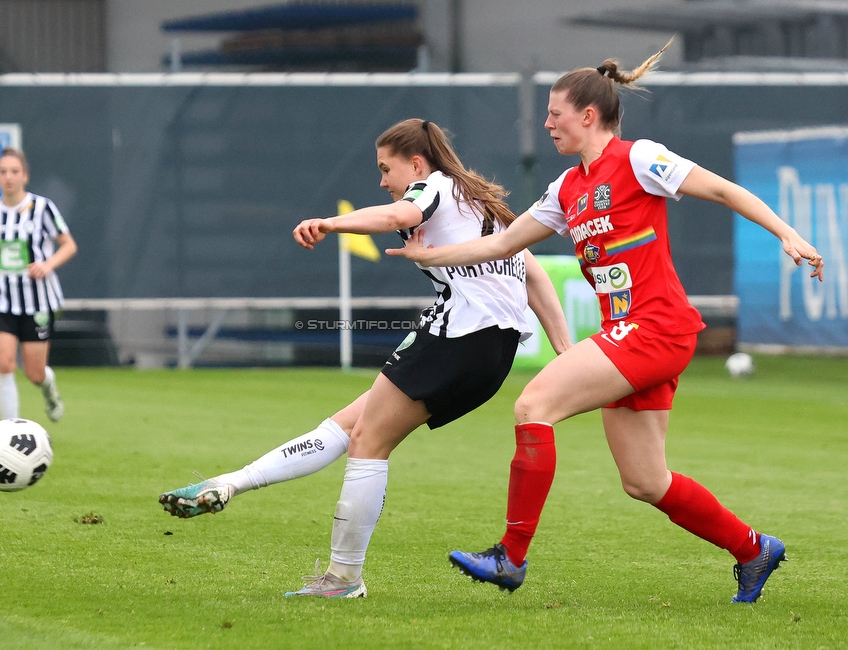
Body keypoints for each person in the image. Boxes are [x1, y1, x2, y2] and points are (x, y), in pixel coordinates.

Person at [386, 44, 824, 604]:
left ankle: (510, 557)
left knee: (533, 405)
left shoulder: (640, 159)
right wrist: (426, 257)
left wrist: (785, 233)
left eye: (554, 113)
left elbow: (720, 188)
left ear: (588, 116)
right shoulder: (566, 190)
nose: (545, 124)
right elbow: (500, 243)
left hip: (656, 327)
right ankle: (753, 548)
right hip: (637, 334)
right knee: (645, 481)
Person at [159, 117, 572, 598]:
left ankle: (343, 579)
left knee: (368, 442)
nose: (382, 181)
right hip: (489, 353)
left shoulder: (434, 186)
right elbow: (534, 278)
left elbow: (399, 218)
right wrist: (565, 352)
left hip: (458, 337)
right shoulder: (486, 205)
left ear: (416, 163)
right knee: (343, 427)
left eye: (385, 168)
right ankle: (230, 483)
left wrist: (331, 222)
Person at [0, 147, 78, 423]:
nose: (8, 177)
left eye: (14, 171)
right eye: (3, 172)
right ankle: (12, 430)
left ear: (25, 176)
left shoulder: (43, 208)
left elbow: (68, 245)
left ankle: (50, 392)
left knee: (34, 373)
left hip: (38, 301)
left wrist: (47, 265)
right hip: (1, 299)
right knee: (4, 363)